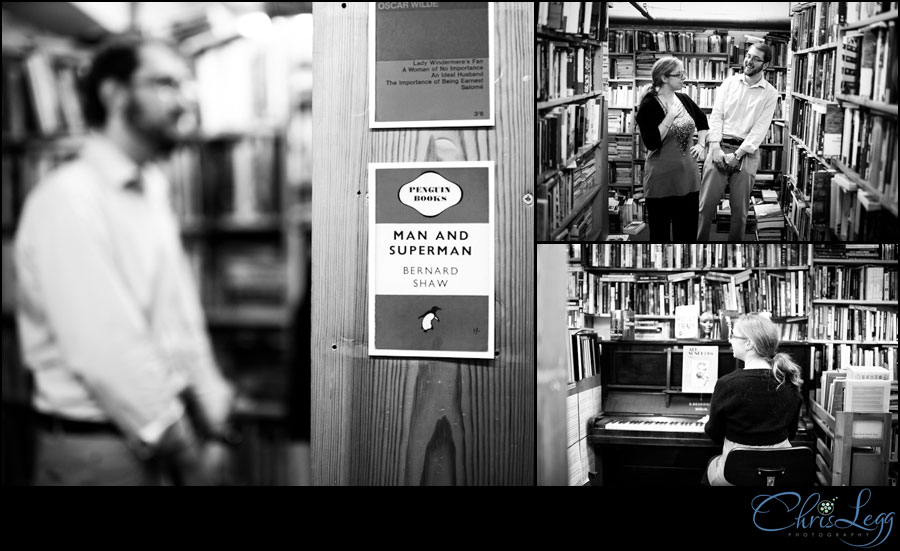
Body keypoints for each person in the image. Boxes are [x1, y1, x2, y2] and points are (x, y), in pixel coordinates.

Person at [14, 35, 235, 485]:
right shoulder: (67, 199)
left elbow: (178, 320)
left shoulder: (151, 188)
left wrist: (215, 420)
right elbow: (107, 350)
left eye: (185, 84)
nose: (184, 99)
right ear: (113, 93)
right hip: (98, 450)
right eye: (164, 83)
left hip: (163, 436)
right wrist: (192, 454)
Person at [700, 313, 804, 486]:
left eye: (733, 335)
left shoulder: (727, 384)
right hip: (779, 476)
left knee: (711, 463)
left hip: (736, 475)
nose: (730, 340)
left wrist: (711, 420)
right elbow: (791, 433)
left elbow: (714, 434)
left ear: (748, 343)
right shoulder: (789, 381)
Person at [698, 43, 780, 241]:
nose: (749, 61)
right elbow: (716, 116)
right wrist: (715, 146)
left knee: (740, 212)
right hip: (719, 146)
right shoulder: (729, 83)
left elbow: (760, 128)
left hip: (747, 154)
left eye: (756, 58)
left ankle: (734, 254)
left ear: (766, 65)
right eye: (748, 56)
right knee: (705, 207)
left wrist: (738, 154)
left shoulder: (770, 93)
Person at [635, 57, 709, 242]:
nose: (684, 78)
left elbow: (703, 122)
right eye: (679, 74)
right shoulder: (648, 105)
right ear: (664, 78)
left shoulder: (684, 99)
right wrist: (669, 117)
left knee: (687, 234)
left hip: (689, 178)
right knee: (660, 236)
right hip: (662, 180)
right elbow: (652, 143)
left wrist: (701, 144)